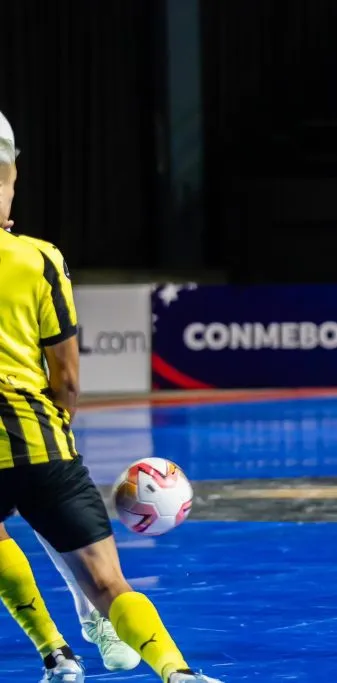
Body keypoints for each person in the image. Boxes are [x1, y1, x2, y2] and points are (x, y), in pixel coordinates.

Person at [0, 111, 221, 683]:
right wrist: (57, 431)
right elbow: (67, 377)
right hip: (40, 443)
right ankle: (176, 672)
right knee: (107, 581)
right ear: (13, 174)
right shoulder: (39, 259)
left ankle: (57, 656)